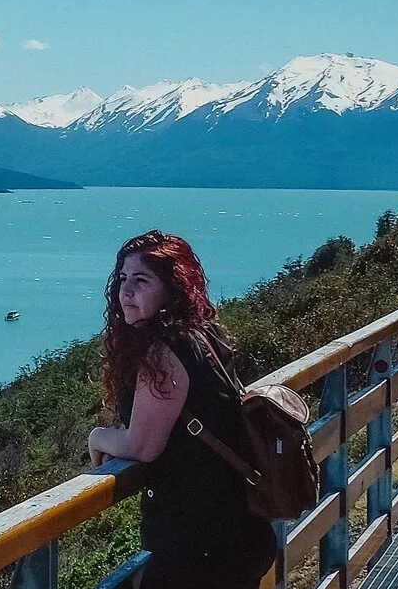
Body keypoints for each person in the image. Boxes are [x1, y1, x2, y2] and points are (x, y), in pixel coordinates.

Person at [85, 230, 278, 589]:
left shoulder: (163, 352)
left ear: (172, 289)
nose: (126, 291)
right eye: (123, 279)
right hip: (238, 531)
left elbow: (144, 446)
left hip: (200, 548)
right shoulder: (203, 333)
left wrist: (98, 436)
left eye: (141, 281)